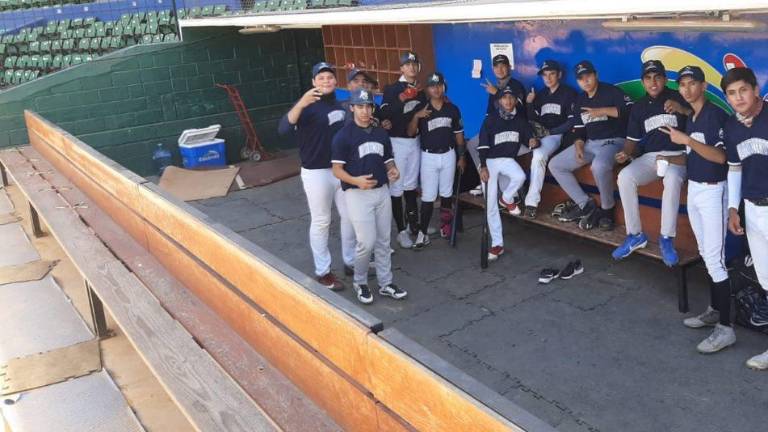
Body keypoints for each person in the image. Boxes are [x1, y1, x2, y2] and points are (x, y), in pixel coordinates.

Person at [661, 65, 733, 353]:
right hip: (696, 188)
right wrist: (669, 158)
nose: (687, 89)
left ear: (703, 86)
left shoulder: (715, 115)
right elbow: (695, 155)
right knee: (706, 253)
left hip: (714, 190)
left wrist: (686, 140)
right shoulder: (692, 116)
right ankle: (715, 310)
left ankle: (726, 328)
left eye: (693, 83)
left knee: (715, 259)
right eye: (683, 84)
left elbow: (722, 157)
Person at [277, 62, 355, 290]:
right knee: (321, 220)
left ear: (336, 80)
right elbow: (283, 129)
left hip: (340, 169)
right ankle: (323, 272)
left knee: (349, 216)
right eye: (321, 78)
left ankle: (351, 261)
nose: (326, 81)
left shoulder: (340, 105)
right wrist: (301, 102)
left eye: (330, 77)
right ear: (313, 82)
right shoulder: (306, 105)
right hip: (316, 172)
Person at [331, 88, 408, 305]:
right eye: (360, 106)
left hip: (381, 191)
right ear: (352, 108)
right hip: (357, 193)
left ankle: (385, 283)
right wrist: (356, 181)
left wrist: (393, 169)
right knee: (366, 242)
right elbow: (337, 170)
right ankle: (360, 281)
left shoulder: (380, 133)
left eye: (368, 106)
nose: (365, 111)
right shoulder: (343, 136)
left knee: (383, 240)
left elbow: (387, 159)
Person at [612, 60, 691, 265]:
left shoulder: (679, 96)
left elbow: (699, 117)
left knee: (672, 179)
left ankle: (666, 238)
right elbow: (632, 139)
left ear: (665, 79)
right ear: (643, 82)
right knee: (625, 177)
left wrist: (682, 109)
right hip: (652, 157)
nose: (653, 82)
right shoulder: (639, 107)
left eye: (657, 77)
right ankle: (635, 234)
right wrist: (625, 153)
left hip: (678, 155)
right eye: (648, 78)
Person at [548, 60, 632, 229]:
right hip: (590, 144)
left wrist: (603, 111)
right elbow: (579, 129)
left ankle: (607, 210)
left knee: (599, 166)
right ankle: (585, 204)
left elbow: (631, 111)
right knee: (555, 165)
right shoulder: (580, 100)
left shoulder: (611, 91)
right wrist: (579, 145)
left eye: (588, 76)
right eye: (581, 78)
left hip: (613, 142)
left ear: (596, 75)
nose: (585, 81)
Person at [722, 67, 768, 369]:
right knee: (766, 279)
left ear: (755, 90)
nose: (738, 98)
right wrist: (733, 209)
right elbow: (735, 168)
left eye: (743, 90)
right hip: (752, 209)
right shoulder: (732, 127)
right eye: (731, 93)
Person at [478, 83, 538, 261]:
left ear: (515, 101)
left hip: (506, 159)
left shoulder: (520, 120)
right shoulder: (491, 119)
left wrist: (533, 142)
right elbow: (482, 145)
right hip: (489, 161)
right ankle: (497, 244)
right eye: (504, 97)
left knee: (520, 176)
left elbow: (529, 138)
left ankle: (506, 199)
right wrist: (483, 166)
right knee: (490, 205)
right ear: (499, 101)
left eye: (511, 97)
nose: (508, 101)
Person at [406, 72, 467, 248]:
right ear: (428, 89)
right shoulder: (422, 108)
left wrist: (462, 156)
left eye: (439, 85)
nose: (436, 89)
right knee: (428, 196)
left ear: (444, 87)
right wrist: (416, 117)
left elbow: (459, 135)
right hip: (428, 156)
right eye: (432, 86)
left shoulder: (452, 109)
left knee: (447, 193)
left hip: (448, 154)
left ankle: (445, 227)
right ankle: (422, 233)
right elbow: (410, 133)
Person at [380, 51, 427, 249]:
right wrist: (402, 97)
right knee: (397, 187)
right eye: (407, 64)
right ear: (401, 68)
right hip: (397, 142)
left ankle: (413, 225)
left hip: (414, 141)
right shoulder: (392, 89)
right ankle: (401, 231)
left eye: (414, 64)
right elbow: (383, 113)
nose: (411, 67)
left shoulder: (421, 89)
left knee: (410, 185)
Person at [521, 60, 578, 218]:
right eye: (545, 75)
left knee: (539, 155)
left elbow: (572, 121)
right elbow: (533, 119)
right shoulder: (540, 95)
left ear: (559, 75)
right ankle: (510, 194)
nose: (548, 78)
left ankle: (531, 203)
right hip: (541, 135)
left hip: (556, 135)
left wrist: (551, 132)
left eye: (552, 74)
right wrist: (529, 103)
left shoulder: (569, 93)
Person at [467, 54, 527, 196]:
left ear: (509, 67)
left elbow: (517, 110)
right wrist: (485, 133)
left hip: (513, 133)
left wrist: (496, 93)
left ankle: (497, 185)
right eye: (496, 67)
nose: (500, 69)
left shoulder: (516, 85)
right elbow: (489, 115)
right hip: (496, 131)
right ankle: (485, 179)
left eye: (503, 66)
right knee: (472, 143)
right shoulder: (495, 87)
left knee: (491, 149)